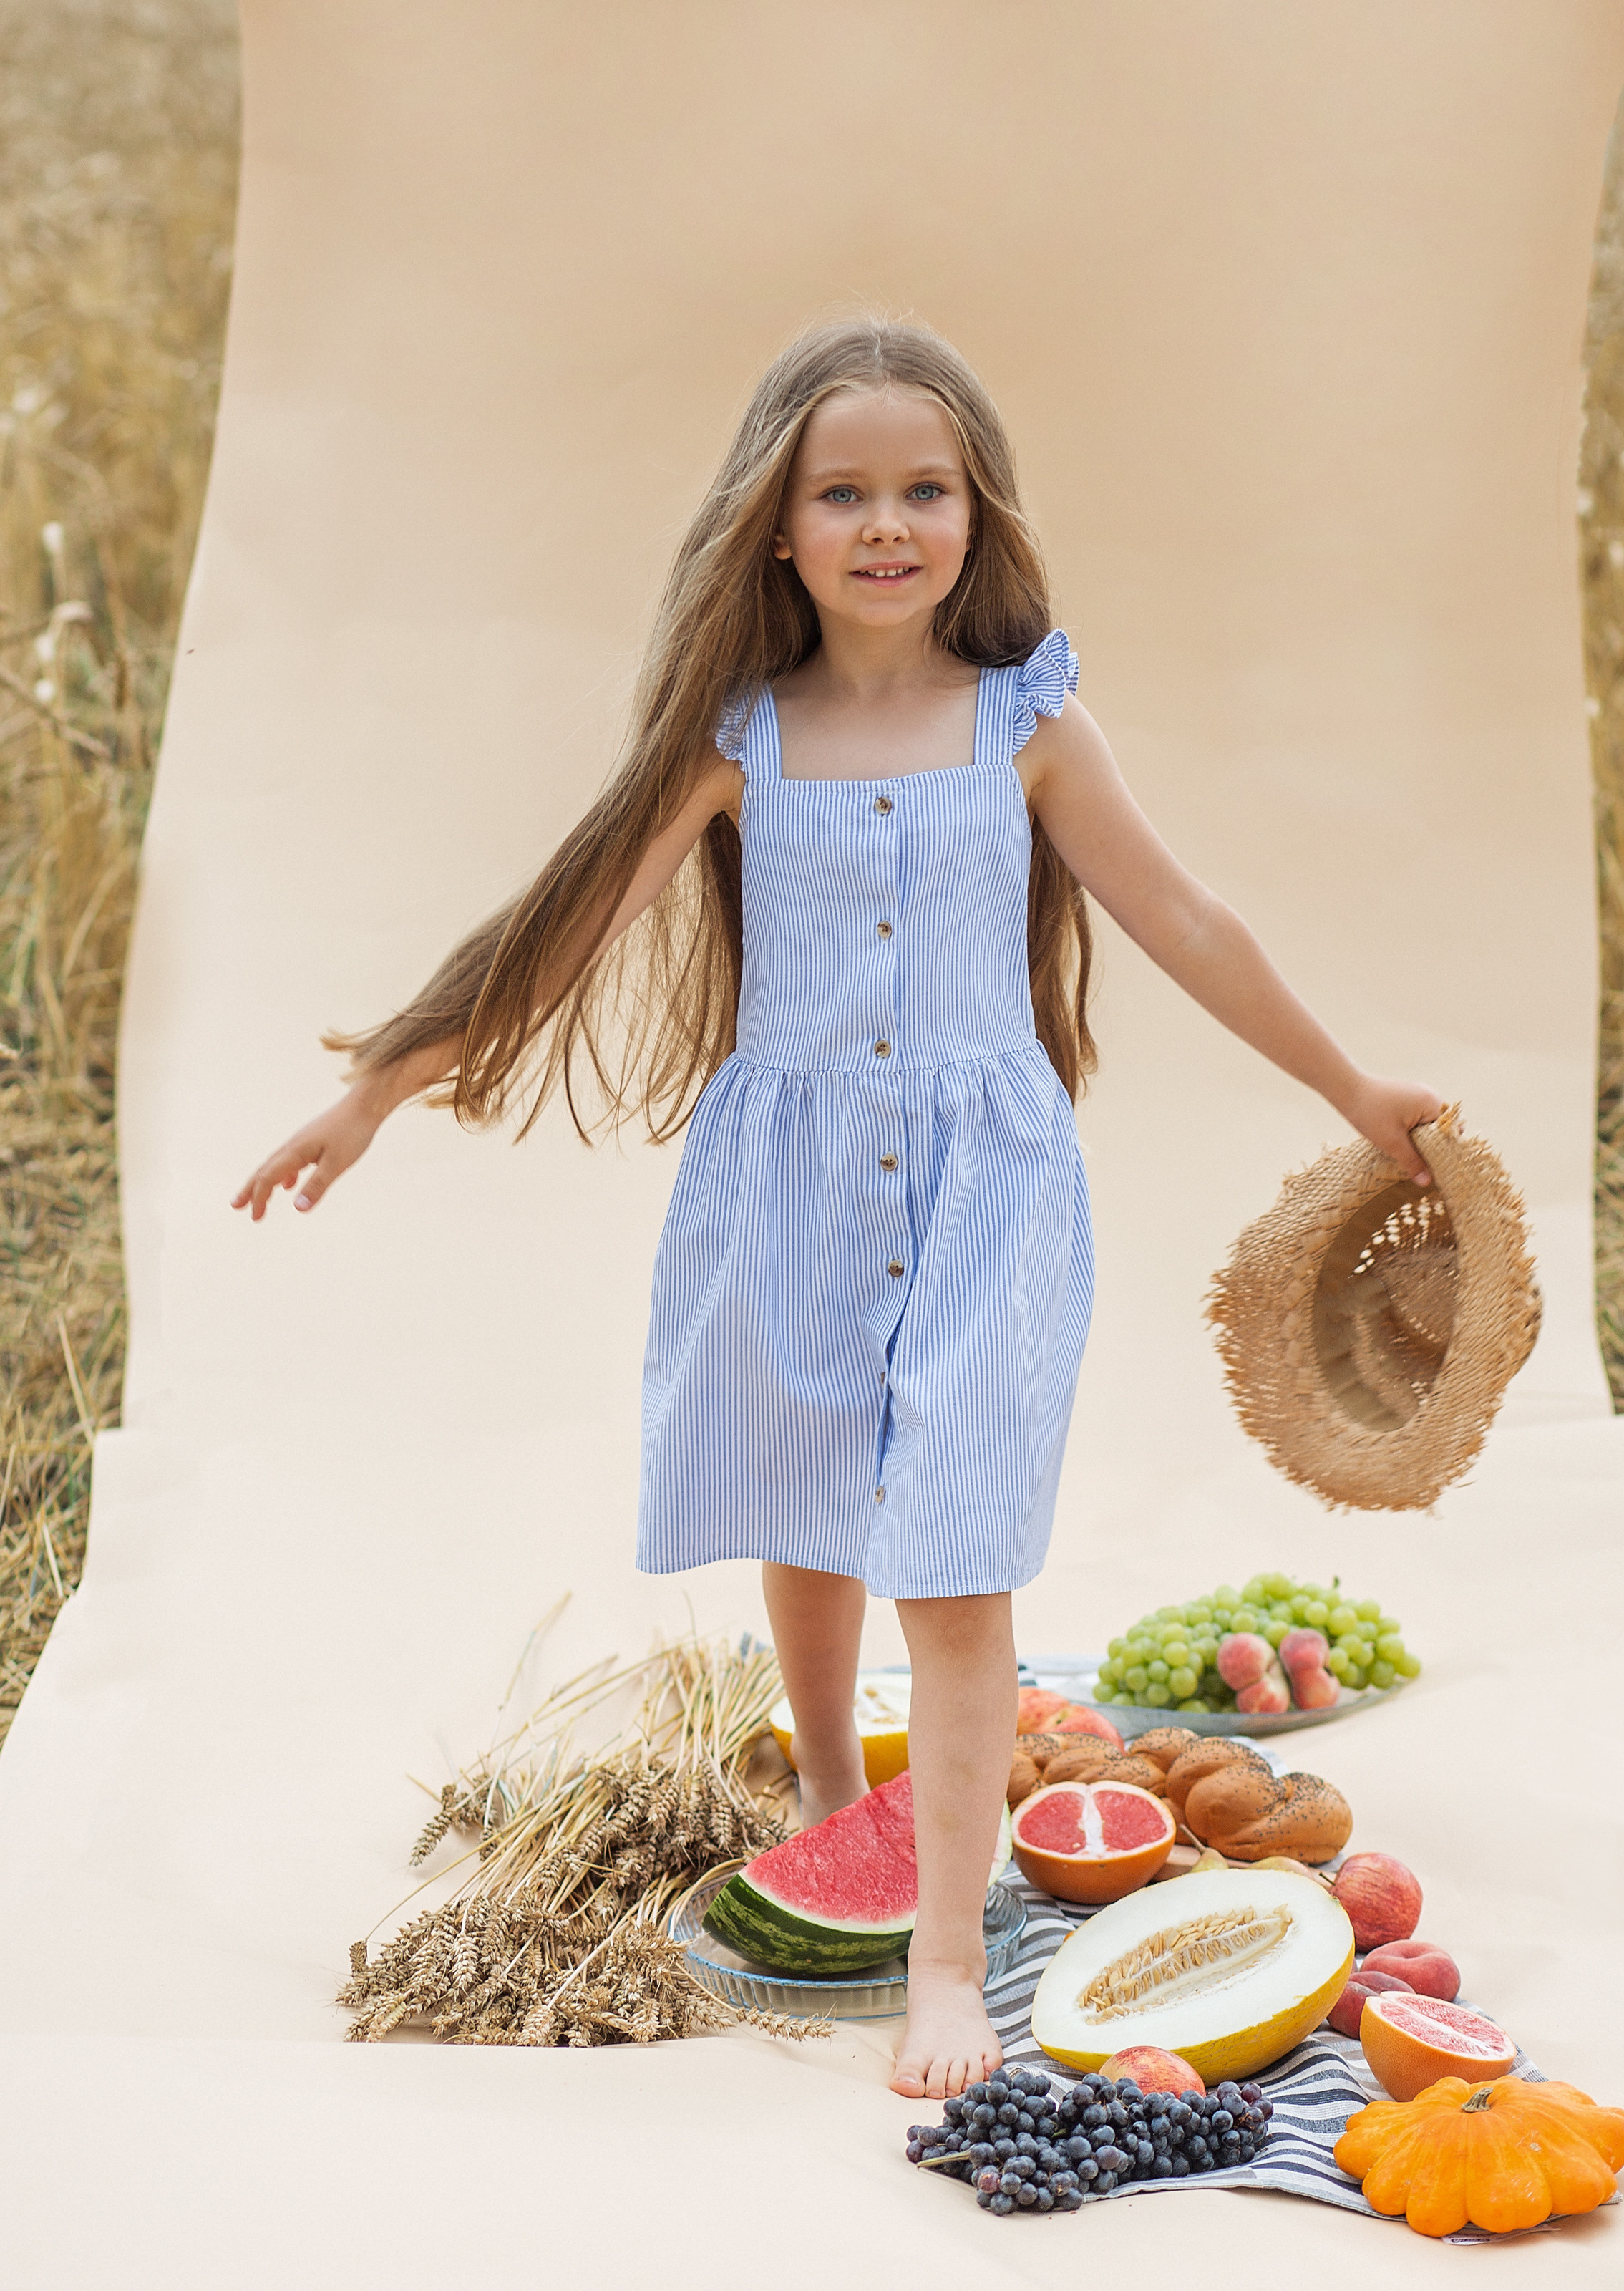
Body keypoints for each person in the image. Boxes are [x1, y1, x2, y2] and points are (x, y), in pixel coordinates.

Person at [233, 316, 1440, 2100]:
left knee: (953, 1551)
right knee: (808, 1503)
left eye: (924, 489)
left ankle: (945, 1956)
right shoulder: (744, 734)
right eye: (843, 492)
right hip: (784, 1177)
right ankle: (827, 1799)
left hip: (989, 1182)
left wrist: (1351, 1089)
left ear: (977, 511)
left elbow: (1183, 918)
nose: (888, 523)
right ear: (775, 529)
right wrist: (376, 1086)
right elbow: (565, 925)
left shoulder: (1025, 719)